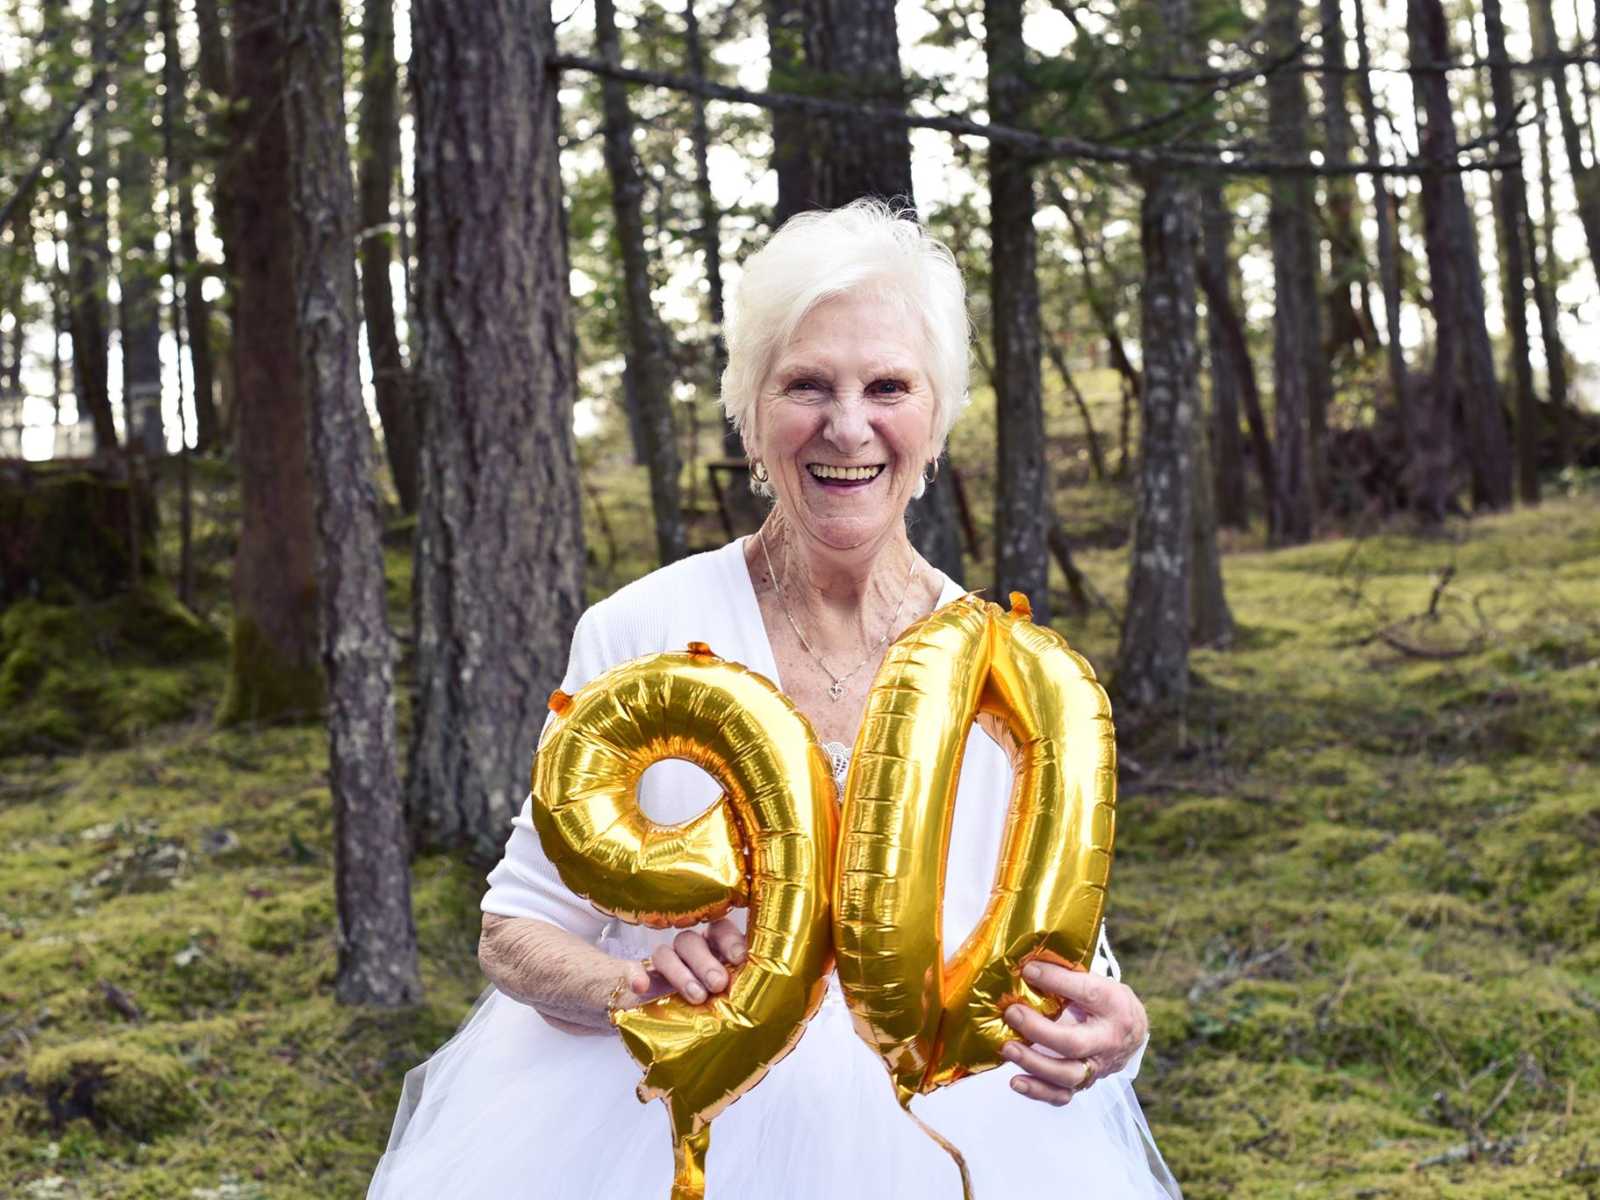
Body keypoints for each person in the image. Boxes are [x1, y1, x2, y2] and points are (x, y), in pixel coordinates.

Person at [368, 200, 1181, 1199]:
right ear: (752, 413)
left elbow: (1064, 953)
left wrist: (1120, 1030)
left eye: (888, 385)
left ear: (938, 416)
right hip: (651, 1144)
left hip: (956, 1149)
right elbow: (513, 930)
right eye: (806, 386)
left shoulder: (1007, 676)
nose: (848, 425)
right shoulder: (640, 631)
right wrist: (637, 983)